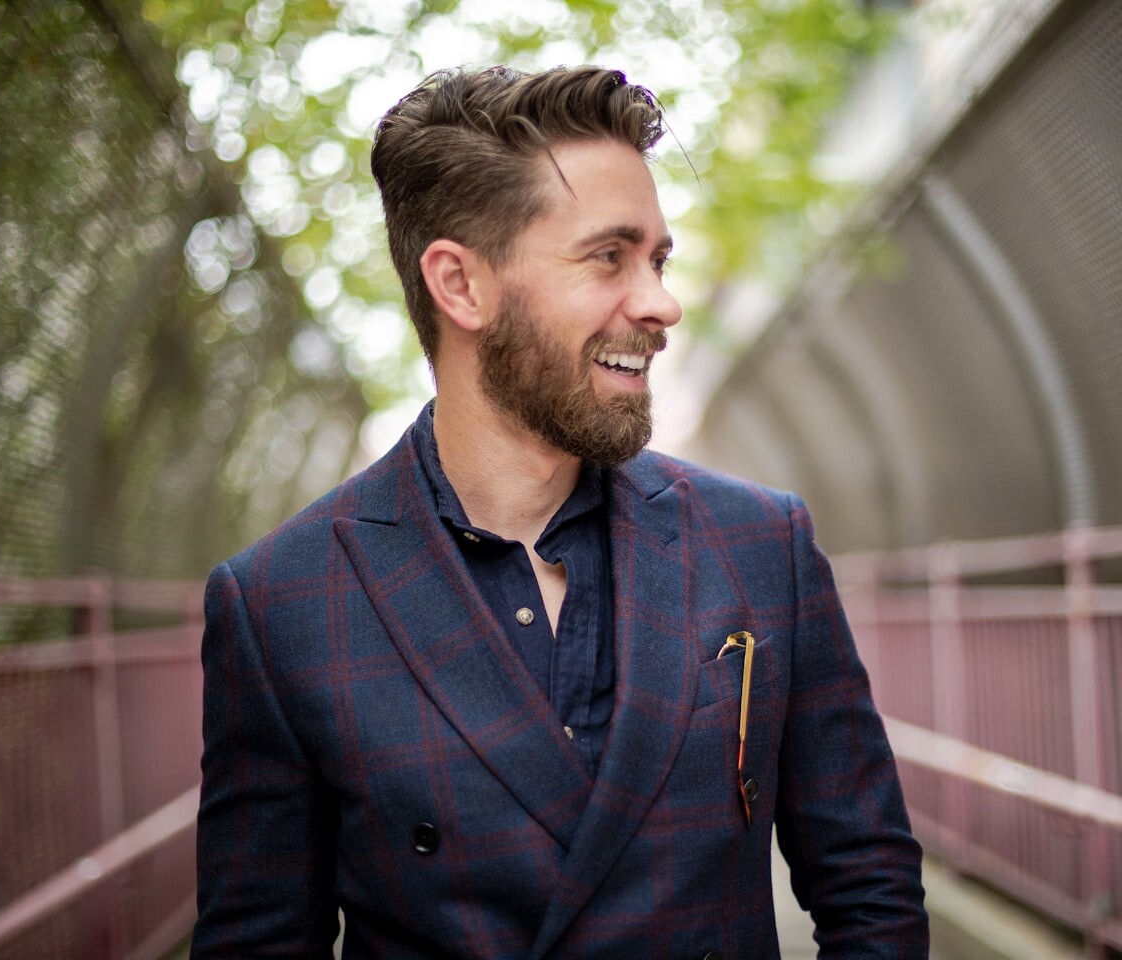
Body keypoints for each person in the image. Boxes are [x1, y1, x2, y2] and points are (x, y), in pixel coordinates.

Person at [191, 65, 928, 959]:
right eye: (607, 256)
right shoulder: (282, 604)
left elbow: (871, 886)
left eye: (657, 259)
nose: (662, 302)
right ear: (461, 286)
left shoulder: (760, 542)